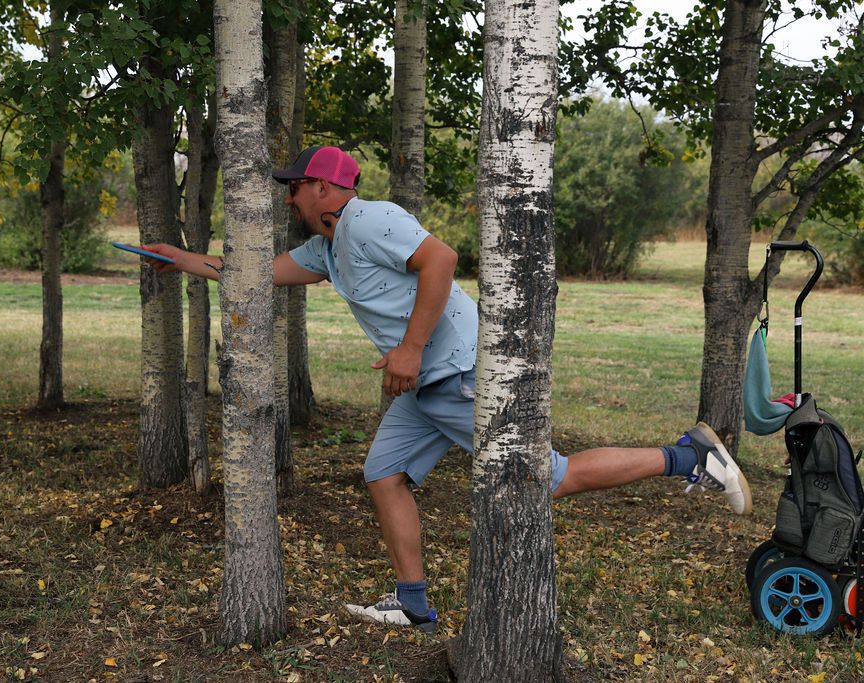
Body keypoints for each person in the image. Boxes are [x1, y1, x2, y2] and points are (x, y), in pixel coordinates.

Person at [140, 146, 753, 633]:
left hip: (457, 373)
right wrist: (181, 258)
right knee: (384, 473)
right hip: (425, 386)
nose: (289, 196)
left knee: (547, 477)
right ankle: (411, 603)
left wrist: (409, 349)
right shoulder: (329, 246)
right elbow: (253, 274)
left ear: (323, 188)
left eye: (294, 186)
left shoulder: (371, 218)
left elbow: (441, 259)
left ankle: (688, 457)